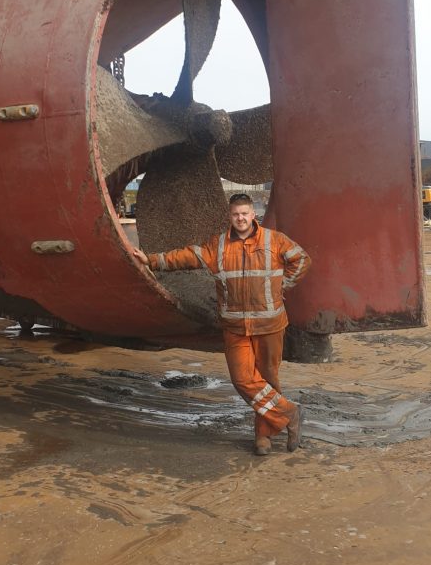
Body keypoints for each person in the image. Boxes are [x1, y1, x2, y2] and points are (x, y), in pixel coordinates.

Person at [133, 193, 311, 456]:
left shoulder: (274, 240)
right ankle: (290, 413)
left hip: (269, 324)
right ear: (230, 216)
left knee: (268, 381)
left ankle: (263, 435)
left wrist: (282, 285)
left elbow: (302, 259)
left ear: (253, 215)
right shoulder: (217, 246)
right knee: (243, 380)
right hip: (235, 326)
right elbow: (187, 256)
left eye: (244, 213)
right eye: (235, 214)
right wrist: (152, 260)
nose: (240, 218)